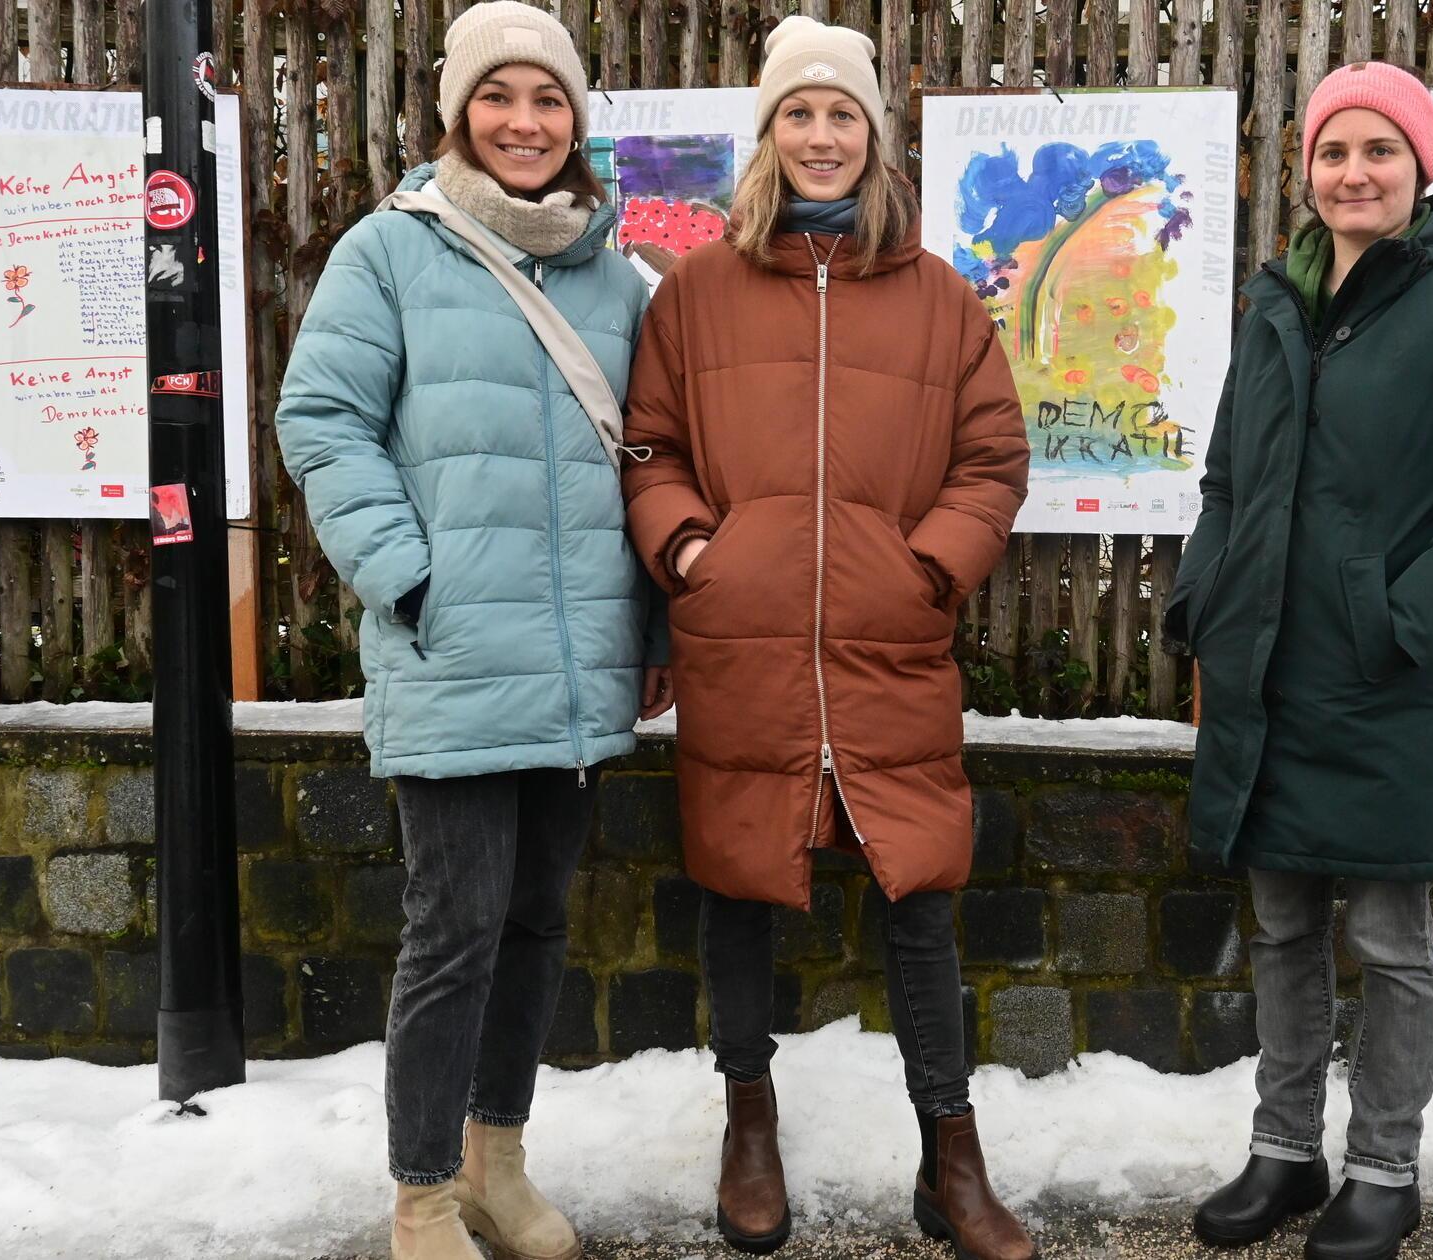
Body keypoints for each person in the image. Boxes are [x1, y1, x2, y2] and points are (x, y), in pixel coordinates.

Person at [620, 17, 1035, 1260]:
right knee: (737, 885)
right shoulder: (695, 293)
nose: (819, 135)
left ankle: (951, 1157)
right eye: (796, 114)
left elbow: (991, 459)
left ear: (872, 135)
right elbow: (649, 449)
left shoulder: (939, 297)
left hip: (886, 644)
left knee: (919, 899)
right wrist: (695, 554)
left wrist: (926, 569)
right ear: (767, 135)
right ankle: (747, 1127)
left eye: (840, 114)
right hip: (739, 642)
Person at [276, 4, 671, 1257]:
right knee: (453, 932)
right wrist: (407, 578)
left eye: (547, 99)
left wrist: (650, 626)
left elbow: (652, 458)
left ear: (576, 121)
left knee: (538, 923)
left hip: (577, 662)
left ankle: (498, 1162)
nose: (523, 121)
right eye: (497, 96)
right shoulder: (389, 252)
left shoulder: (613, 274)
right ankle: (423, 1197)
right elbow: (321, 419)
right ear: (457, 113)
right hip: (449, 649)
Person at [1169, 61, 1433, 1260]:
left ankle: (1384, 1169)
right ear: (1307, 173)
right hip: (1266, 677)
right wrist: (1201, 599)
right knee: (1281, 930)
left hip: (1385, 680)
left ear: (1418, 166)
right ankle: (1284, 1153)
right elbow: (1227, 480)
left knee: (1390, 942)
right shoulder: (1272, 305)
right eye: (1332, 152)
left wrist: (1399, 620)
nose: (1353, 173)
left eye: (1378, 150)